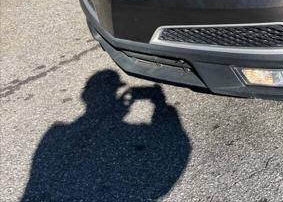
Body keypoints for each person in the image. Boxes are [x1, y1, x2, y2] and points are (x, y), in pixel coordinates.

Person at [22, 70, 191, 201]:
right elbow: (177, 146)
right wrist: (161, 104)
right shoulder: (129, 134)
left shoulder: (55, 134)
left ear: (85, 96)